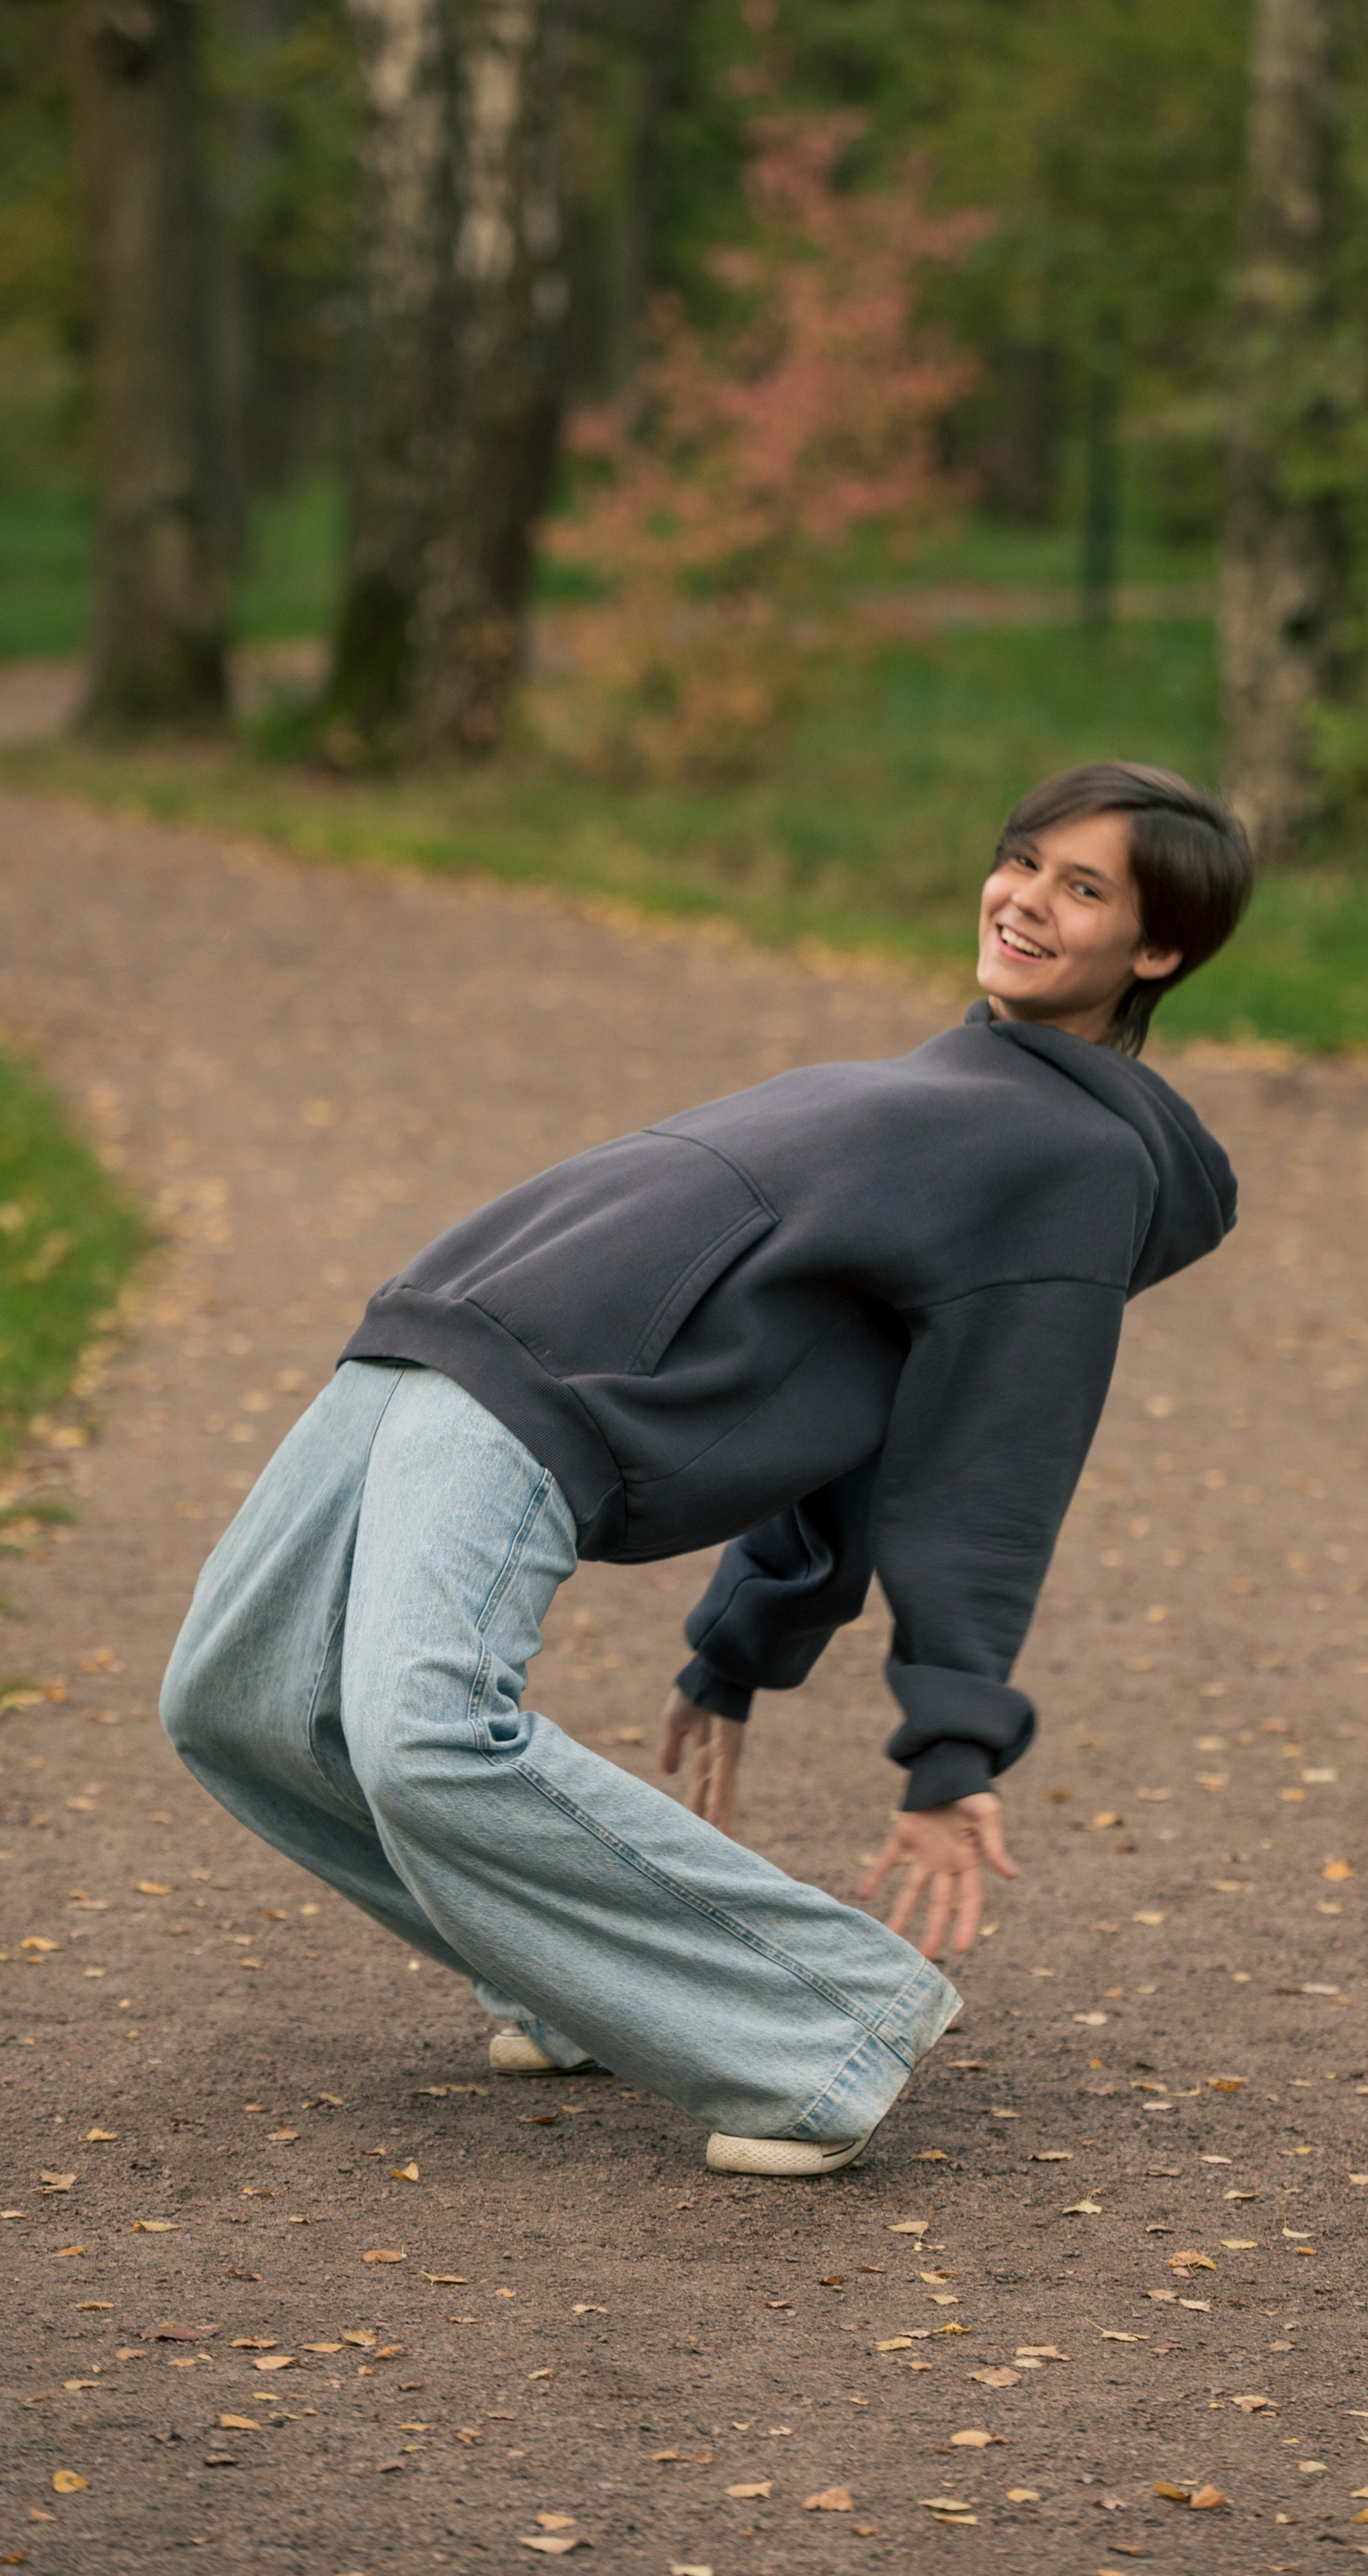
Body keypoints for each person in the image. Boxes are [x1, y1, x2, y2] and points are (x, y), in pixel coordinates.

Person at [160, 760, 1250, 2178]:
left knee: (423, 1725)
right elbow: (850, 1408)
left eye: (1080, 886)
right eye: (1018, 860)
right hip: (436, 1334)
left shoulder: (1073, 1157)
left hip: (546, 1382)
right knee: (232, 1702)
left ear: (1154, 948)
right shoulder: (961, 1077)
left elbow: (979, 1461)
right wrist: (742, 1640)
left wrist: (951, 1744)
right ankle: (585, 1981)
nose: (1022, 898)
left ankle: (824, 2018)